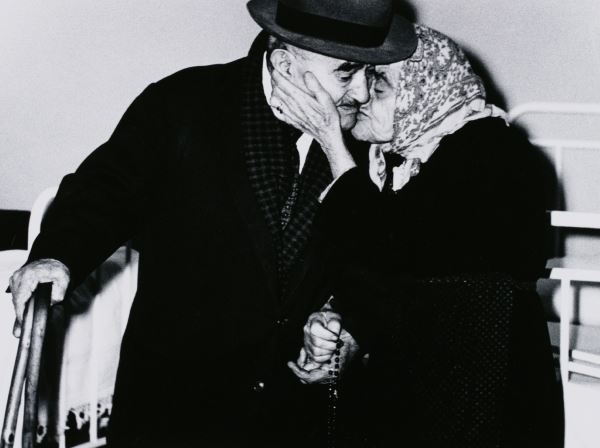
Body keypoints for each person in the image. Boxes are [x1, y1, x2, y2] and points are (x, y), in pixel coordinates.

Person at [7, 1, 419, 447]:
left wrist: (351, 331)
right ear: (285, 64)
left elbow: (378, 270)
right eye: (347, 72)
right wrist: (57, 255)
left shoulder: (366, 144)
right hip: (172, 420)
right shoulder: (184, 105)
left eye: (370, 72)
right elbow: (103, 191)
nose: (363, 93)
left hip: (292, 426)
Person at [275, 25, 563, 446]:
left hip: (485, 394)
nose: (361, 97)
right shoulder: (401, 165)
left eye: (380, 86)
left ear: (425, 92)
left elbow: (397, 253)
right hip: (433, 389)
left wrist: (334, 148)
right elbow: (382, 278)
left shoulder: (495, 151)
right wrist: (342, 325)